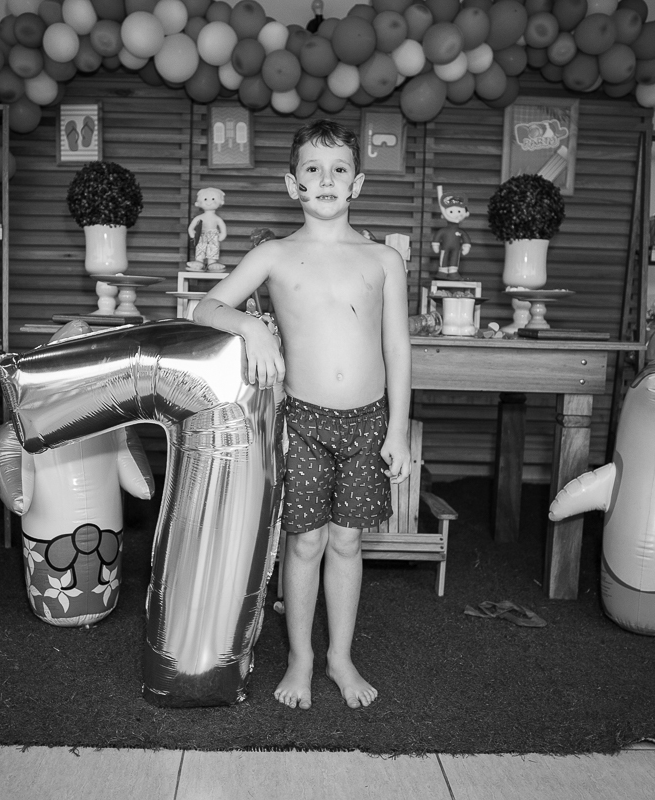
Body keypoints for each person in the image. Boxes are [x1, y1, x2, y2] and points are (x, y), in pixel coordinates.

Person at [192, 119, 411, 710]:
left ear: (357, 184)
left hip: (368, 421)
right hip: (303, 421)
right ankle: (301, 658)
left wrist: (397, 430)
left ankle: (339, 656)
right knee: (306, 542)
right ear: (294, 185)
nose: (327, 179)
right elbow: (205, 307)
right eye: (313, 169)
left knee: (347, 542)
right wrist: (250, 327)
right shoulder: (274, 254)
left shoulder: (384, 260)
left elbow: (397, 348)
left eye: (339, 169)